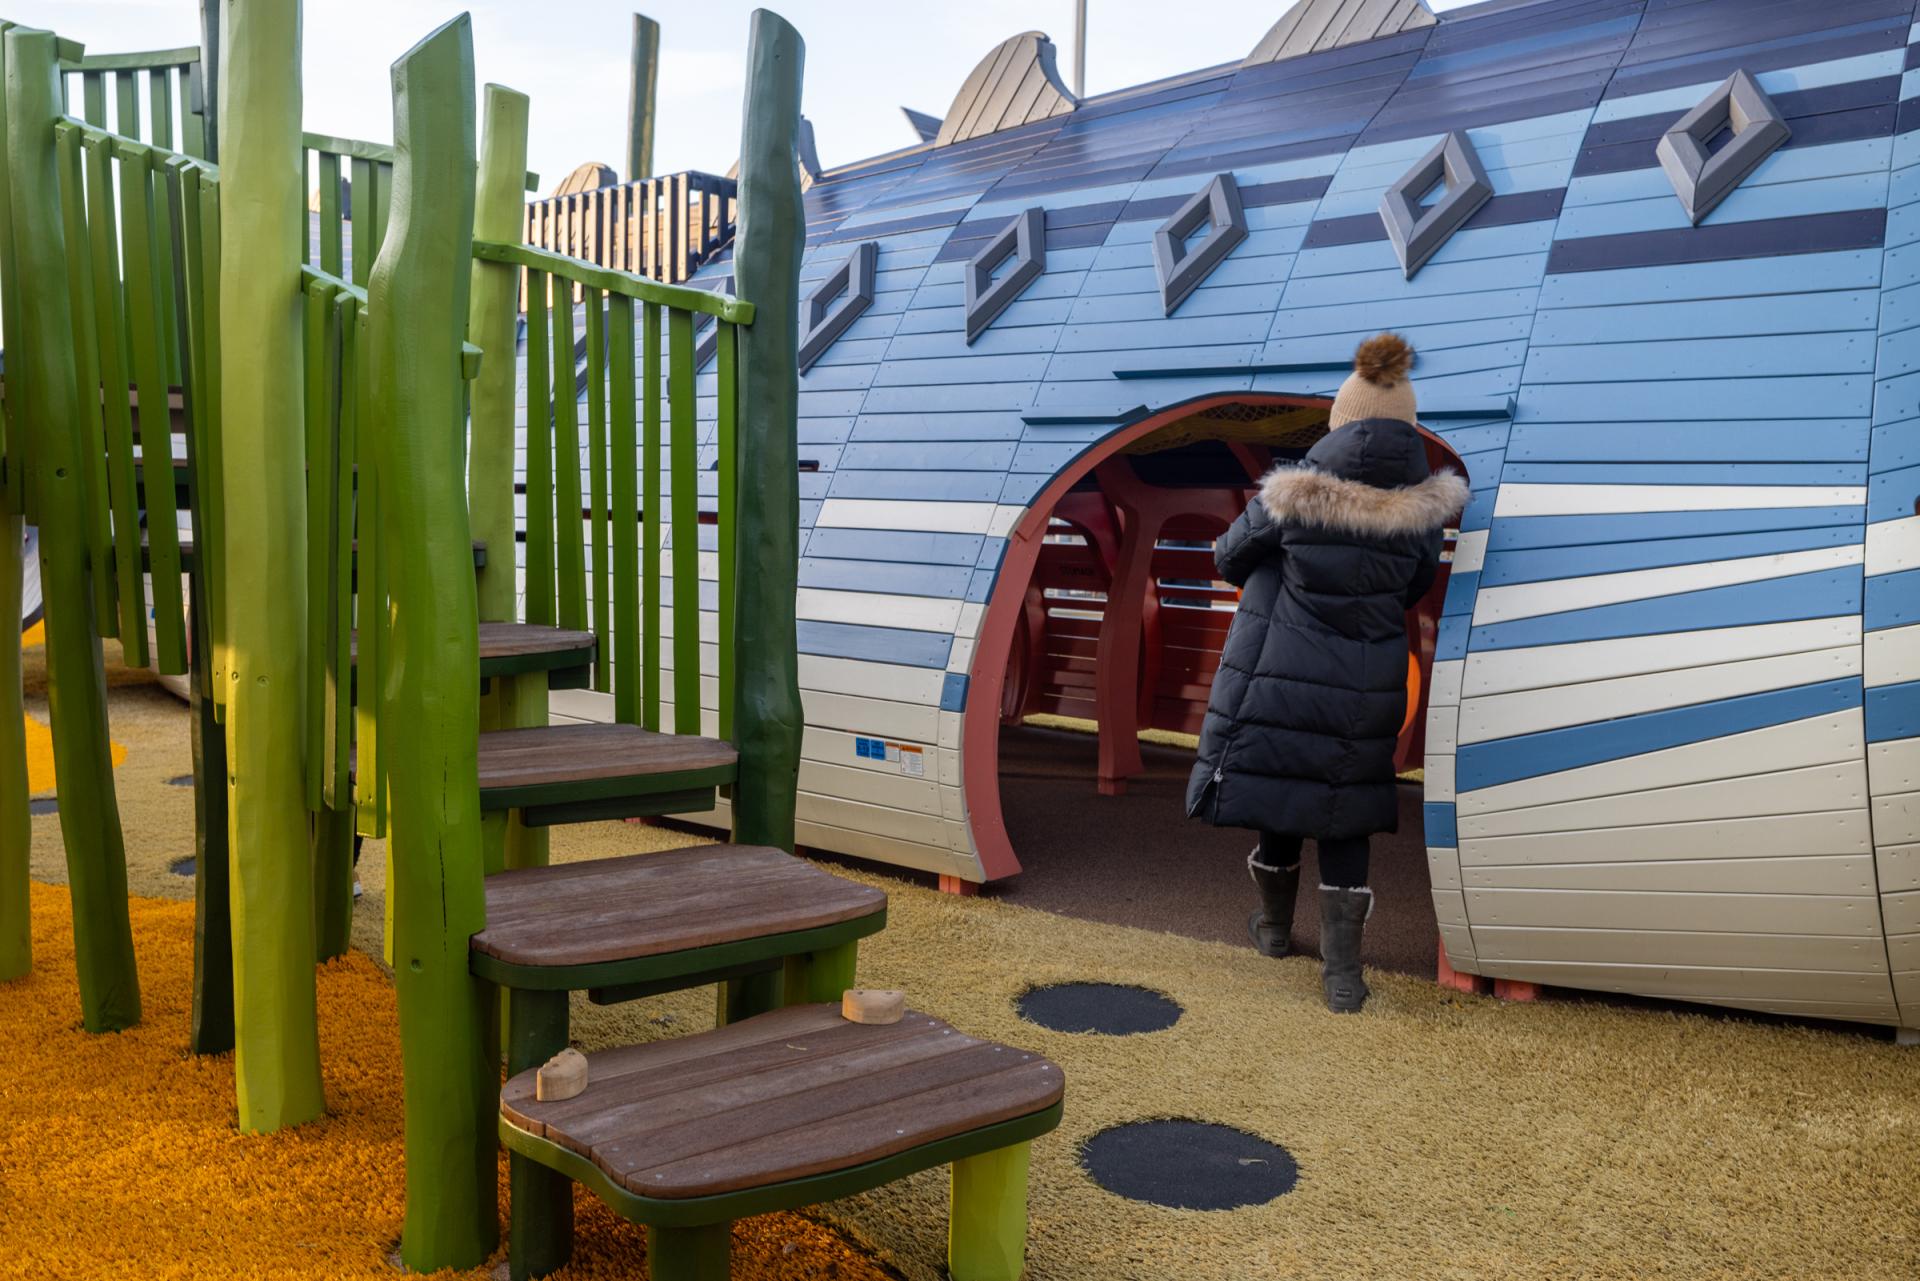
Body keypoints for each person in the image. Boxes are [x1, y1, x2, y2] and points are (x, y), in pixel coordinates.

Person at [1186, 334, 1467, 1013]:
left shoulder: (1293, 495)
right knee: (1343, 816)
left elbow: (1229, 555)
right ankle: (1344, 974)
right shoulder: (1423, 511)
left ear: (1341, 421)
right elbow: (1413, 586)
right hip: (1365, 685)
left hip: (1283, 674)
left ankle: (1276, 929)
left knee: (1284, 794)